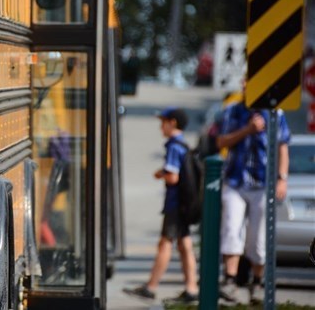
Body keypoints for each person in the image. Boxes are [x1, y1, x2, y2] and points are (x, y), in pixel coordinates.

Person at [216, 96, 290, 305]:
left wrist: (282, 179)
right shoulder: (233, 110)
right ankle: (229, 280)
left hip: (263, 183)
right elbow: (221, 141)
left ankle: (257, 282)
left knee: (258, 238)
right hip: (235, 180)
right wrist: (248, 130)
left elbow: (283, 146)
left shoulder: (276, 113)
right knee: (231, 229)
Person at [123, 108, 198, 305]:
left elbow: (173, 177)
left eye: (163, 122)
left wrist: (160, 174)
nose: (160, 127)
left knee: (165, 244)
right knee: (184, 245)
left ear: (172, 123)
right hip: (185, 203)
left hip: (175, 203)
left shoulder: (174, 146)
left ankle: (151, 287)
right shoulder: (184, 144)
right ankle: (192, 287)